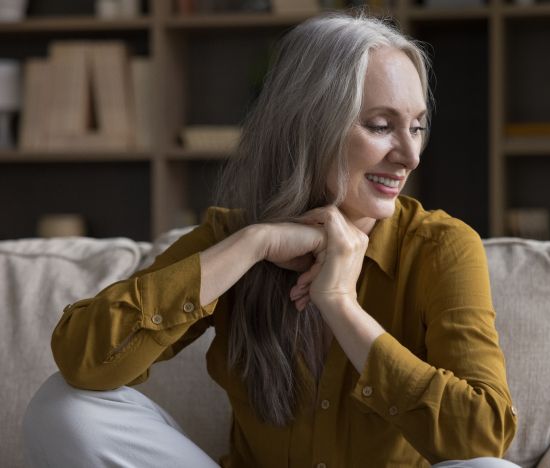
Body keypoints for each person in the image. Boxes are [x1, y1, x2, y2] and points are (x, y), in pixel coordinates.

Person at [23, 10, 519, 468]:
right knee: (63, 407)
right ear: (309, 126)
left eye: (416, 126)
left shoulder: (441, 246)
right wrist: (252, 244)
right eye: (381, 126)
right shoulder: (231, 238)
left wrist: (341, 305)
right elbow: (83, 360)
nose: (409, 156)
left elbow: (483, 437)